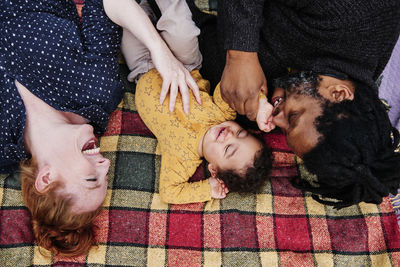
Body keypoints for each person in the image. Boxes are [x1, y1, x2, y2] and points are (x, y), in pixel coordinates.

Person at [0, 0, 201, 256]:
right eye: (105, 176)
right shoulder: (98, 92)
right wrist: (159, 51)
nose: (106, 165)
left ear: (46, 178)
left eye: (92, 179)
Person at [215, 0, 400, 207]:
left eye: (284, 131)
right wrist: (240, 54)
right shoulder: (351, 12)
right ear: (339, 94)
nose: (276, 119)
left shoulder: (317, 86)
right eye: (293, 117)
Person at [130, 0, 274, 204]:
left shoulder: (183, 161)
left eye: (228, 149)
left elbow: (169, 192)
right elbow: (229, 88)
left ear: (213, 169)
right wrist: (259, 106)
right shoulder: (222, 115)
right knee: (182, 31)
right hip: (185, 62)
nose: (230, 135)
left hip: (143, 68)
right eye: (241, 133)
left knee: (128, 23)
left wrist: (207, 189)